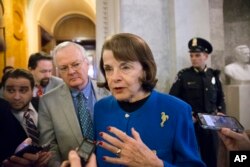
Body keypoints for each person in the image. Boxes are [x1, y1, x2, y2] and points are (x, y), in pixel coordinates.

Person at [94, 33, 205, 167]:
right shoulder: (100, 108)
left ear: (145, 69)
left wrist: (156, 164)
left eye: (125, 67)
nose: (114, 77)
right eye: (108, 69)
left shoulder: (177, 110)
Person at [38, 41, 108, 166]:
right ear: (58, 71)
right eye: (64, 68)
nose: (71, 72)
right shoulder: (47, 101)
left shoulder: (109, 92)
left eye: (76, 64)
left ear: (87, 63)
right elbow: (49, 146)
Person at [169, 37, 226, 167]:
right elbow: (173, 99)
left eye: (197, 55)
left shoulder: (213, 75)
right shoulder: (184, 75)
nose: (194, 58)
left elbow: (220, 99)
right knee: (192, 156)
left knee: (211, 156)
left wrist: (222, 116)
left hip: (211, 124)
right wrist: (187, 116)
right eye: (191, 55)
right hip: (192, 123)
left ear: (205, 56)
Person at [0, 69, 52, 166]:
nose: (16, 97)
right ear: (3, 91)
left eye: (23, 90)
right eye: (10, 90)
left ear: (33, 91)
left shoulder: (45, 105)